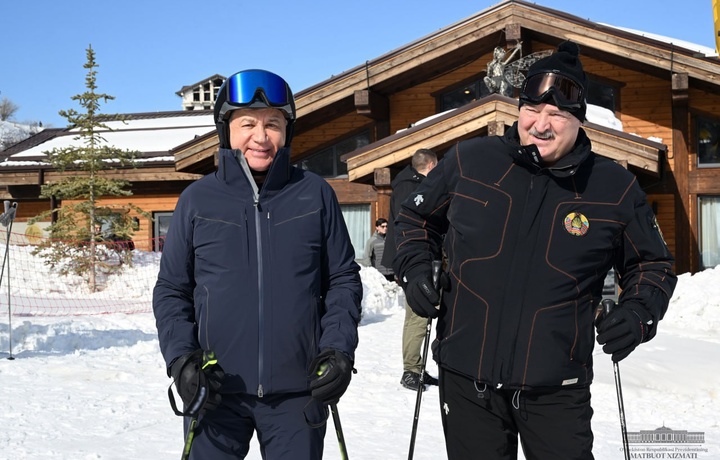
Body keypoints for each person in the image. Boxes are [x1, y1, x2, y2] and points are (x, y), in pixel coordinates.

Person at [393, 41, 677, 459]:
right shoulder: (471, 161)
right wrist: (416, 268)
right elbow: (414, 221)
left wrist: (639, 312)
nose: (541, 124)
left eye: (557, 114)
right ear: (518, 110)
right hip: (466, 376)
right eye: (532, 110)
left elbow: (653, 264)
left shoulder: (613, 187)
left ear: (579, 121)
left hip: (557, 388)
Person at [153, 69, 363, 460]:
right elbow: (172, 289)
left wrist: (338, 350)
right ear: (226, 129)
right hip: (214, 389)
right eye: (248, 123)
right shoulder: (198, 200)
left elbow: (343, 280)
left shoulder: (314, 194)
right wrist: (181, 359)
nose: (261, 137)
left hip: (298, 394)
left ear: (288, 130)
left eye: (273, 124)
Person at [381, 148, 439, 391]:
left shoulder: (409, 183)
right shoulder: (410, 187)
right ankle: (411, 371)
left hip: (413, 257)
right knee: (418, 313)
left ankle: (417, 367)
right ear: (430, 165)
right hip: (411, 259)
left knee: (420, 313)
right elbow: (408, 224)